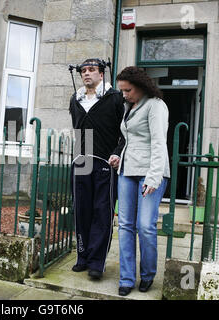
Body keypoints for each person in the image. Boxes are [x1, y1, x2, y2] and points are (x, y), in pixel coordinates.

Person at [108, 66, 170, 296]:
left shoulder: (155, 106)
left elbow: (158, 143)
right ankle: (126, 278)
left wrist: (153, 177)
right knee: (124, 225)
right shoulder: (127, 107)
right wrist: (118, 155)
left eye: (128, 90)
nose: (124, 94)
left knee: (145, 226)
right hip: (127, 170)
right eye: (122, 90)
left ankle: (147, 275)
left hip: (151, 173)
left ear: (142, 87)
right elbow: (129, 139)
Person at [69, 58, 124, 280]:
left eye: (92, 70)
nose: (86, 74)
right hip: (82, 160)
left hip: (105, 161)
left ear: (102, 74)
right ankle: (82, 257)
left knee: (102, 213)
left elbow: (124, 131)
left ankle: (96, 262)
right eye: (83, 70)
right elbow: (79, 129)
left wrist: (118, 152)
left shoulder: (115, 98)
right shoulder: (76, 98)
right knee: (82, 210)